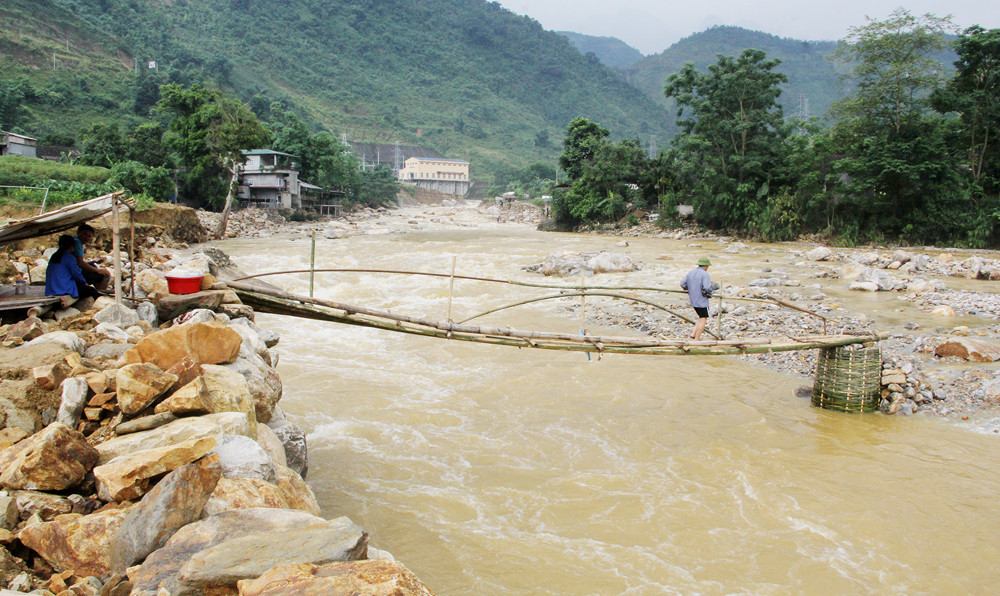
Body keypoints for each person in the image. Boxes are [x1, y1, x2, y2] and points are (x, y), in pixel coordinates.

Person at [45, 235, 100, 300]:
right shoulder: (69, 257)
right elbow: (76, 274)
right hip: (64, 289)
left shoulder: (54, 256)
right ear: (72, 246)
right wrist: (84, 282)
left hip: (51, 290)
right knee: (92, 291)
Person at [680, 257, 715, 340]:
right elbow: (707, 287)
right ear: (706, 266)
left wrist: (690, 289)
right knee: (703, 318)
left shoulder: (691, 272)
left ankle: (693, 334)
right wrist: (711, 292)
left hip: (693, 299)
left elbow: (683, 284)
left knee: (700, 316)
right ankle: (697, 338)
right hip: (701, 300)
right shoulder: (705, 274)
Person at [74, 224, 110, 291]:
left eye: (89, 236)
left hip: (73, 271)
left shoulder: (75, 240)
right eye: (84, 234)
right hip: (74, 274)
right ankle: (100, 293)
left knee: (93, 265)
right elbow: (80, 263)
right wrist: (98, 271)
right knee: (105, 275)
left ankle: (99, 291)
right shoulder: (77, 242)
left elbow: (77, 260)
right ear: (78, 232)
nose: (86, 237)